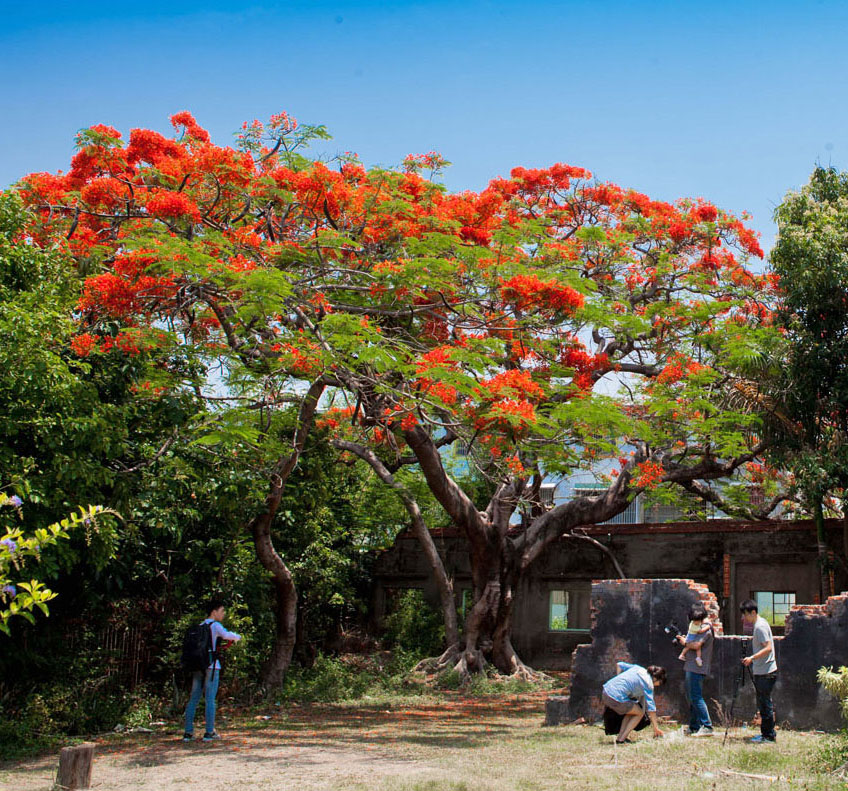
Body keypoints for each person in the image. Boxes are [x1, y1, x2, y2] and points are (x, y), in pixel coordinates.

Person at [183, 598, 241, 742]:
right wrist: (237, 637)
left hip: (198, 666)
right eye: (222, 611)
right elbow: (228, 635)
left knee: (193, 698)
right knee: (210, 699)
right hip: (211, 666)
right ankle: (209, 732)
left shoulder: (200, 626)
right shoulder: (215, 626)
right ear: (214, 612)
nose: (223, 614)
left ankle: (188, 732)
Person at [740, 598, 778, 744]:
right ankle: (766, 734)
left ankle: (769, 736)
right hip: (763, 670)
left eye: (746, 614)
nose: (744, 618)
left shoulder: (759, 627)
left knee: (765, 705)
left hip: (766, 671)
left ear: (753, 612)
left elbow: (768, 648)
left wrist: (752, 658)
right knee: (763, 703)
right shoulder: (760, 624)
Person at [601, 661, 666, 744]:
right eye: (659, 683)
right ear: (655, 678)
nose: (658, 685)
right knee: (640, 713)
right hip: (616, 697)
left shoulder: (638, 669)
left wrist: (619, 680)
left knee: (632, 712)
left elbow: (619, 665)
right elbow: (651, 709)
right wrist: (656, 728)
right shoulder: (648, 683)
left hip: (606, 690)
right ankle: (621, 740)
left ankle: (620, 738)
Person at [675, 604, 715, 737]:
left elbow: (697, 644)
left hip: (697, 668)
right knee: (691, 697)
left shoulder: (706, 630)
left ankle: (707, 726)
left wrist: (684, 642)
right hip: (691, 666)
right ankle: (694, 726)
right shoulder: (697, 628)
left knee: (696, 697)